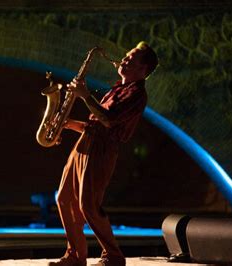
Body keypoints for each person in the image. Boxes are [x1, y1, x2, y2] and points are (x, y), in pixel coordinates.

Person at [49, 42, 158, 266]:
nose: (124, 59)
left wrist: (85, 95)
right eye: (126, 56)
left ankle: (114, 256)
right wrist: (66, 124)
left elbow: (108, 120)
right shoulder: (116, 88)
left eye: (131, 59)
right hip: (85, 143)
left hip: (102, 150)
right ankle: (75, 256)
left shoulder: (137, 93)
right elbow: (95, 124)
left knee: (88, 205)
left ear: (143, 69)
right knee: (64, 198)